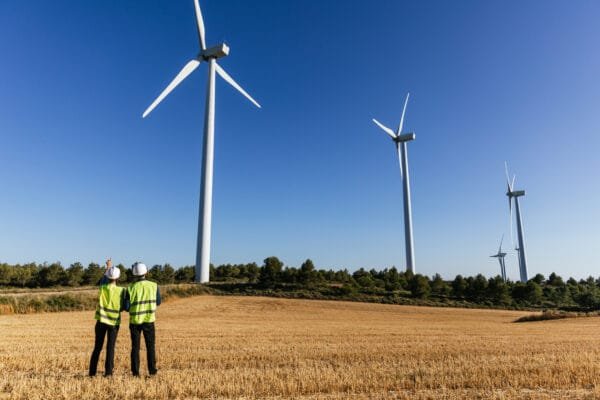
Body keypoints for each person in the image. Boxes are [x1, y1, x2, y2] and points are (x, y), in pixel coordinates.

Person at [89, 259, 126, 377]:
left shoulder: (102, 288)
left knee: (97, 347)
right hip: (114, 322)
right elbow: (124, 307)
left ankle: (92, 373)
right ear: (118, 277)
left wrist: (108, 267)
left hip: (100, 321)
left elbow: (104, 279)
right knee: (110, 348)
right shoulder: (122, 290)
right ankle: (108, 373)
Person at [125, 262, 161, 376]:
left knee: (135, 347)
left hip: (135, 321)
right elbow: (158, 302)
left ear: (134, 274)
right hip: (149, 320)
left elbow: (126, 307)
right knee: (150, 346)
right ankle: (152, 371)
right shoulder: (154, 285)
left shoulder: (130, 288)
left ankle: (135, 372)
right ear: (146, 272)